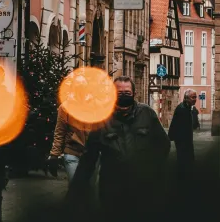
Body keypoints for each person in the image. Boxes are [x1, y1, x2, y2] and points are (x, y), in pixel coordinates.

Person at [70, 75, 169, 213]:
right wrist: (77, 187)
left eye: (127, 93)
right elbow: (89, 157)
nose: (123, 96)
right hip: (112, 188)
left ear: (134, 93)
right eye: (119, 93)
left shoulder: (147, 113)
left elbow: (163, 144)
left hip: (143, 186)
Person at [47, 103, 88, 184]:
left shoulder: (96, 105)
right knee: (76, 187)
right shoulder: (65, 107)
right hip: (72, 152)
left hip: (92, 154)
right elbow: (60, 132)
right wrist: (54, 155)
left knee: (90, 188)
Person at [168, 89, 199, 183]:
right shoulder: (182, 109)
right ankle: (183, 180)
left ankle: (185, 178)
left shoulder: (187, 107)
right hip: (182, 140)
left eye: (195, 97)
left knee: (186, 160)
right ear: (186, 98)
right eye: (193, 97)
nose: (195, 99)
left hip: (185, 139)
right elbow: (179, 126)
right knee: (184, 160)